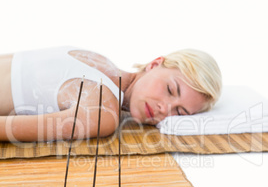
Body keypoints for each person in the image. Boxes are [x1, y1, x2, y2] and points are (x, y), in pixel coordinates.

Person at [0, 46, 222, 142]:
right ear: (155, 64)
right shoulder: (104, 112)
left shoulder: (96, 58)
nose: (165, 108)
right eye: (170, 90)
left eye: (180, 113)